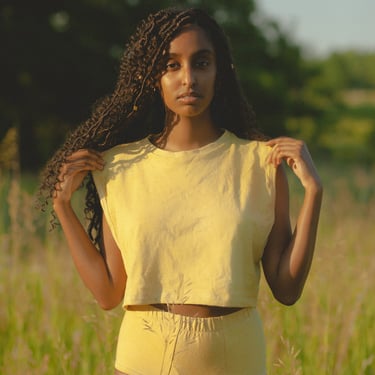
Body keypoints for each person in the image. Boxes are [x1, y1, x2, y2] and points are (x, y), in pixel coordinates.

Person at [39, 7, 323, 375]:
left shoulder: (260, 164)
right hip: (143, 356)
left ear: (220, 73)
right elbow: (109, 293)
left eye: (201, 63)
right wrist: (63, 206)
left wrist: (314, 194)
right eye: (171, 65)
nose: (188, 78)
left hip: (235, 359)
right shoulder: (120, 167)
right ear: (151, 76)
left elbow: (286, 290)